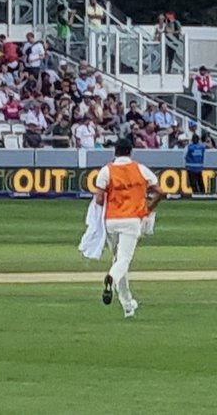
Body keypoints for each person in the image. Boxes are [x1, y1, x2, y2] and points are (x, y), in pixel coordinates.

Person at [93, 136, 160, 318]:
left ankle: (128, 306)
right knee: (123, 260)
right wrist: (147, 208)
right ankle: (111, 279)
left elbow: (99, 198)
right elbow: (161, 191)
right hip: (132, 219)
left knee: (118, 260)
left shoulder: (106, 171)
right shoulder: (140, 169)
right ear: (130, 152)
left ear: (115, 152)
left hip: (111, 220)